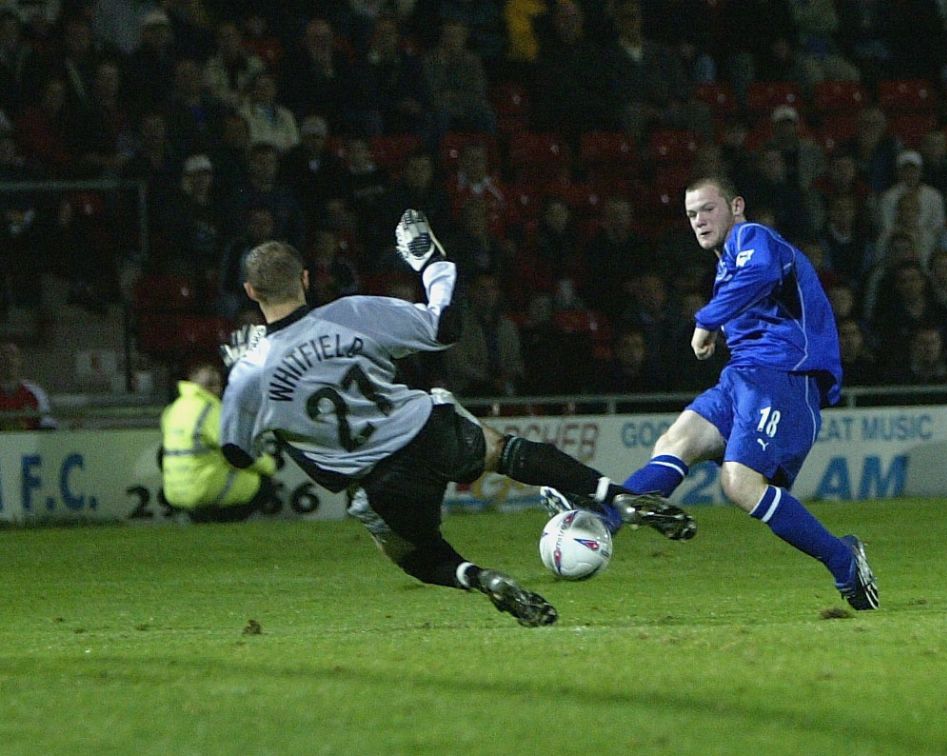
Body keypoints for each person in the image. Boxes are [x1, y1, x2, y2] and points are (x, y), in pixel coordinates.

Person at [218, 211, 696, 627]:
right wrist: (431, 262)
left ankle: (483, 578)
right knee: (504, 451)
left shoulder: (250, 373)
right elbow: (444, 326)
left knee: (414, 555)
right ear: (305, 278)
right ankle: (620, 498)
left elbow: (238, 453)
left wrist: (258, 396)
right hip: (426, 430)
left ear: (250, 291)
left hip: (379, 481)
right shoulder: (351, 312)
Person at [546, 176, 878, 611]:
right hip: (742, 378)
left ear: (736, 206)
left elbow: (761, 273)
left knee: (739, 483)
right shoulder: (726, 267)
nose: (698, 221)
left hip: (784, 376)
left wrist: (706, 321)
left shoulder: (753, 237)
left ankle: (844, 560)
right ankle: (603, 518)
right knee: (674, 443)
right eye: (690, 215)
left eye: (707, 209)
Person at [160, 362, 276, 523]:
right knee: (265, 484)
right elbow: (240, 450)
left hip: (174, 491)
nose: (216, 388)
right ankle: (222, 522)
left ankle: (199, 519)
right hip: (203, 490)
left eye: (217, 383)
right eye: (211, 383)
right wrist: (270, 466)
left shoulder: (174, 409)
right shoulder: (209, 410)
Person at [0, 341, 56, 430]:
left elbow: (48, 426)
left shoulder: (36, 392)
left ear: (19, 361)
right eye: (3, 356)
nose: (9, 360)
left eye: (13, 356)